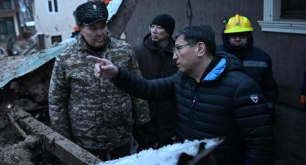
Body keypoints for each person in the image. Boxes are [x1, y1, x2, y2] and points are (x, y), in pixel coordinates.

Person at [87, 25, 276, 164]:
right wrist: (117, 74)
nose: (174, 56)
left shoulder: (241, 88)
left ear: (200, 49)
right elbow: (148, 88)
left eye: (178, 48)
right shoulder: (182, 79)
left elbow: (261, 147)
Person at [48, 0, 150, 161]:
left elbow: (137, 88)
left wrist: (142, 123)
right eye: (93, 28)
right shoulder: (66, 59)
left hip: (121, 134)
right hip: (86, 140)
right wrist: (64, 141)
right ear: (81, 29)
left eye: (103, 26)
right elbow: (57, 102)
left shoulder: (124, 51)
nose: (100, 32)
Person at [216, 14, 279, 121]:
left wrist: (266, 114)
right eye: (233, 35)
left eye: (242, 35)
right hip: (223, 113)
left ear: (249, 36)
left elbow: (268, 89)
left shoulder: (262, 58)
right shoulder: (215, 55)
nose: (237, 39)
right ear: (227, 36)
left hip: (252, 112)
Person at [132, 14, 178, 151]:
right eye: (152, 26)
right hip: (145, 118)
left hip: (169, 118)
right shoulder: (138, 52)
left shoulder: (178, 54)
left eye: (159, 27)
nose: (154, 30)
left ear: (169, 32)